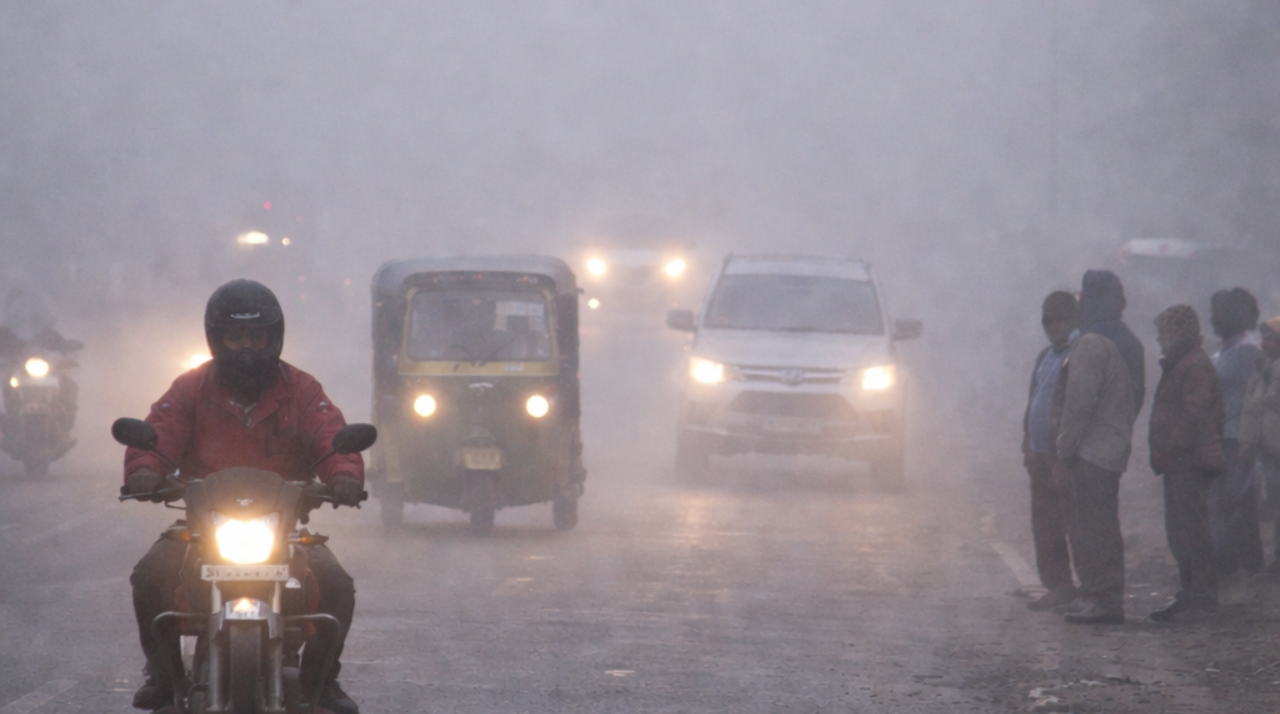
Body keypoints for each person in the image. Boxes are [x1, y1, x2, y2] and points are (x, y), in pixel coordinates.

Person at [123, 280, 364, 714]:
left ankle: (322, 683)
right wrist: (144, 470)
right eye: (236, 337)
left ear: (275, 338)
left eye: (257, 337)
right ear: (217, 339)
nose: (247, 348)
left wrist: (344, 475)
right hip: (202, 528)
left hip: (282, 531)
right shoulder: (190, 389)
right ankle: (162, 677)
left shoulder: (303, 391)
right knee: (149, 575)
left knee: (336, 585)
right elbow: (158, 433)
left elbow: (332, 440)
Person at [1051, 270, 1140, 625]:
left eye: (1084, 297)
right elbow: (1135, 397)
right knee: (1099, 524)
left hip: (1092, 450)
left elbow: (1079, 403)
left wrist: (1066, 445)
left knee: (1093, 527)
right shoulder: (1127, 340)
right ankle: (1097, 595)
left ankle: (1101, 599)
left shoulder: (1091, 342)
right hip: (1111, 444)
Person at [1147, 305, 1225, 622]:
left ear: (1176, 333)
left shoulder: (1195, 366)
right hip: (1179, 461)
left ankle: (1202, 595)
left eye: (1163, 333)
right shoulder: (1185, 363)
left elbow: (1193, 416)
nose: (1159, 340)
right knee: (1180, 530)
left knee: (1191, 529)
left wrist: (1170, 446)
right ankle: (1191, 591)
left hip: (1189, 461)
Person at [1021, 291, 1078, 611]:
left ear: (1072, 321)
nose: (1052, 328)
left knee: (1072, 521)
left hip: (1064, 455)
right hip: (1039, 454)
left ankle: (1086, 586)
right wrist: (1027, 442)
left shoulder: (1080, 354)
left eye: (1058, 321)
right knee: (1045, 522)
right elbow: (1034, 401)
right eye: (1047, 321)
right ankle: (1057, 584)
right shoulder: (1045, 357)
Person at [1208, 288, 1264, 577]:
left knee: (1233, 501)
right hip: (1225, 436)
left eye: (1219, 312)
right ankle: (1247, 563)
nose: (1213, 318)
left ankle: (1229, 563)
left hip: (1237, 437)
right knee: (1235, 501)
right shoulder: (1226, 349)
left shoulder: (1247, 351)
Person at [1239, 316, 1280, 573]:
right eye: (1263, 338)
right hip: (1269, 452)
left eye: (1270, 339)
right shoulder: (1262, 371)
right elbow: (1252, 412)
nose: (1264, 343)